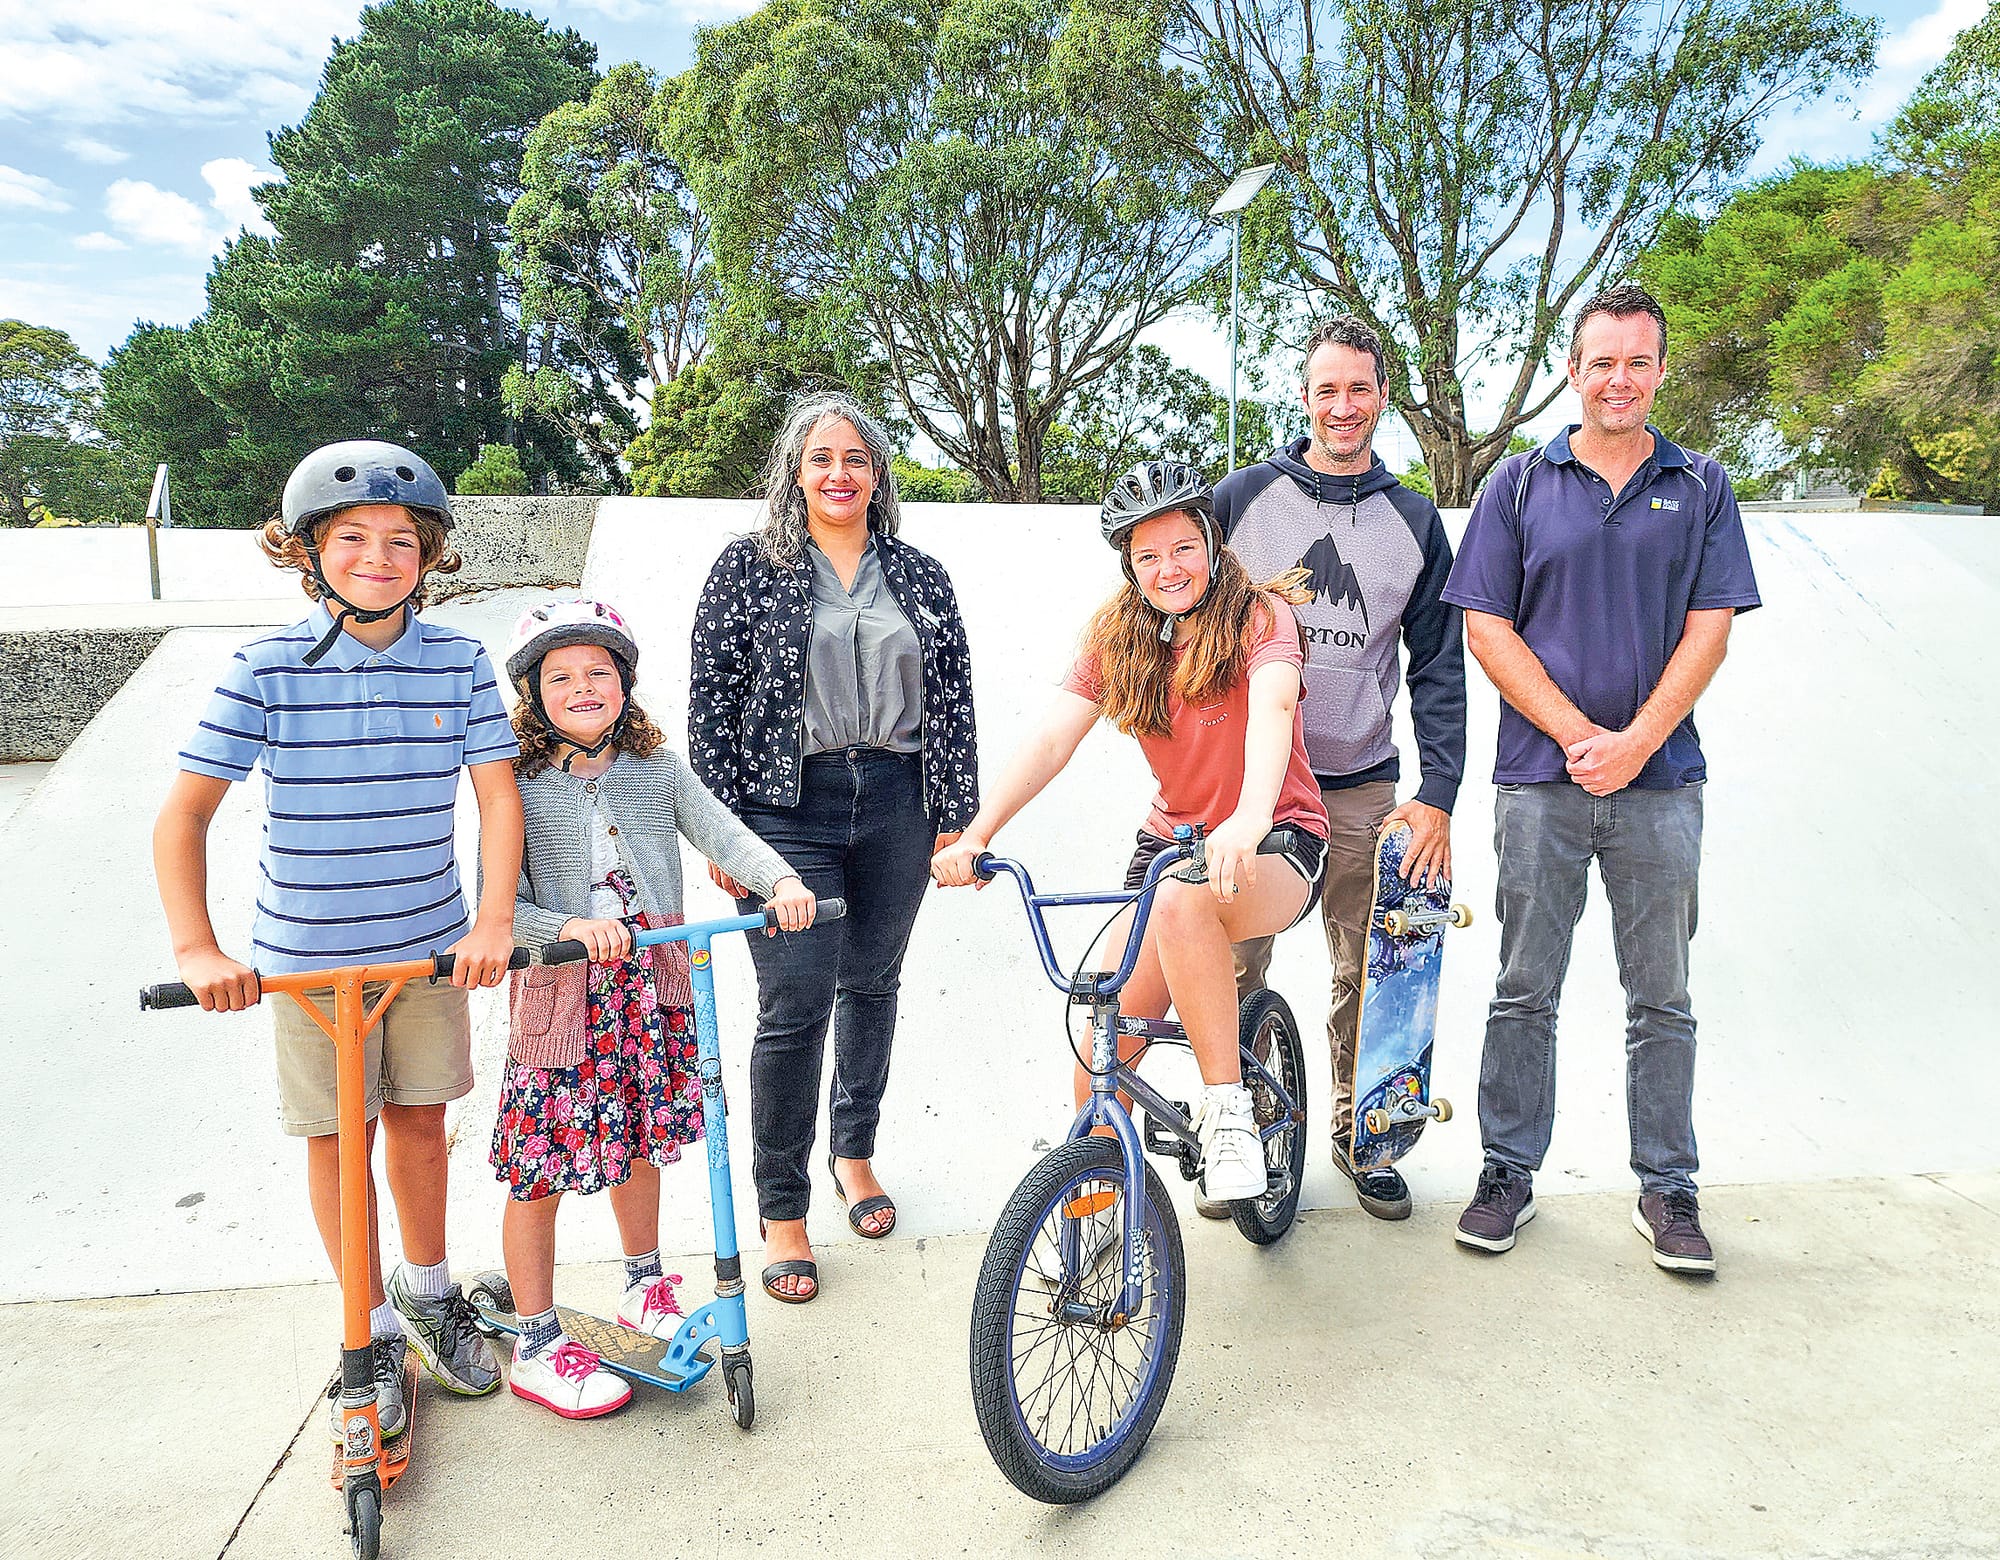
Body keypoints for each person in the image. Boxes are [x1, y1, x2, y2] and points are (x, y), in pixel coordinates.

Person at [153, 440, 523, 1442]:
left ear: (431, 554)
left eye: (402, 540)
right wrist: (200, 949)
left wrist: (491, 921)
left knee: (417, 1126)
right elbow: (181, 817)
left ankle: (429, 1288)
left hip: (426, 951)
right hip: (309, 964)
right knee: (335, 1139)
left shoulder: (456, 661)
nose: (378, 556)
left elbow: (495, 798)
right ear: (305, 550)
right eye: (351, 537)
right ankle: (364, 1327)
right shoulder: (266, 666)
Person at [1441, 282, 1760, 1273]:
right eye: (1599, 362)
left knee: (1659, 997)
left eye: (1636, 362)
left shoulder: (1699, 487)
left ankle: (1667, 1189)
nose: (1617, 380)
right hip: (1538, 781)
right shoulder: (1519, 486)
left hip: (1660, 787)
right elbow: (1484, 625)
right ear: (1570, 371)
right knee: (1522, 988)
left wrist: (1633, 744)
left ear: (1661, 370)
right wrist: (1582, 734)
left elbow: (1708, 632)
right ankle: (1504, 1174)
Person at [932, 461, 1330, 1202]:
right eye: (1148, 556)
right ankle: (1094, 1225)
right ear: (1129, 566)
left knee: (1183, 902)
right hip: (1172, 849)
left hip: (1274, 839)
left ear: (1211, 543)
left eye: (1182, 547)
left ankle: (1230, 1114)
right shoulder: (1118, 637)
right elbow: (1052, 740)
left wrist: (1247, 818)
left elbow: (1274, 710)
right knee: (1101, 1050)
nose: (1167, 568)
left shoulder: (1261, 617)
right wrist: (975, 833)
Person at [689, 392, 979, 1303]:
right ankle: (783, 1210)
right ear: (795, 471)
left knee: (874, 982)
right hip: (786, 810)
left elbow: (955, 698)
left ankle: (855, 1153)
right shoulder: (748, 568)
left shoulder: (922, 575)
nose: (839, 474)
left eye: (856, 458)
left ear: (879, 472)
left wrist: (959, 816)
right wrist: (723, 830)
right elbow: (711, 696)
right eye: (822, 458)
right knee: (794, 1004)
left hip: (900, 800)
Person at [493, 597, 814, 1416]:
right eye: (560, 676)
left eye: (599, 671)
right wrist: (568, 926)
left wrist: (779, 880)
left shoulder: (656, 770)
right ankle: (534, 1334)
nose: (583, 686)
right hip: (562, 1001)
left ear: (626, 684)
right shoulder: (514, 784)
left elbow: (722, 832)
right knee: (542, 1166)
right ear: (533, 694)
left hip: (650, 991)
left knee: (640, 1140)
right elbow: (500, 911)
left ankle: (645, 1279)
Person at [1214, 315, 1466, 1222]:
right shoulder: (1240, 499)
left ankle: (1367, 1141)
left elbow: (1440, 663)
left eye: (1360, 389)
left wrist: (1437, 791)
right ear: (1305, 397)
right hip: (1257, 791)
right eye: (1328, 389)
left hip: (1362, 784)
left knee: (1367, 971)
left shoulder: (1413, 521)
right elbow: (1172, 599)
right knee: (1237, 967)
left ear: (1383, 398)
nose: (1344, 406)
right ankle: (1234, 1145)